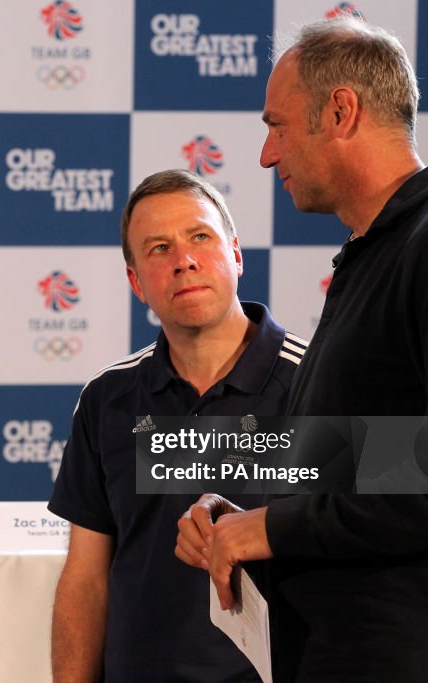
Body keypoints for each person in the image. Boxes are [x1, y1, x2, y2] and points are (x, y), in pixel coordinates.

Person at [175, 16, 428, 682]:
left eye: (277, 126)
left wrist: (274, 530)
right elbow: (366, 456)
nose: (266, 155)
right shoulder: (382, 253)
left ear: (341, 110)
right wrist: (249, 517)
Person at [49, 169, 307, 682]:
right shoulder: (108, 399)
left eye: (200, 238)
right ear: (135, 281)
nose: (184, 261)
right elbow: (85, 580)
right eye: (159, 248)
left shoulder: (319, 382)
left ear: (235, 253)